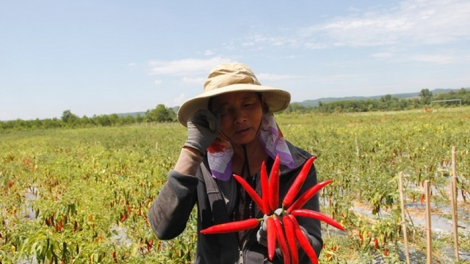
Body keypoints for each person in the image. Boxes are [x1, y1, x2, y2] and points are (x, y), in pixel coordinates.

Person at [148, 63, 322, 263]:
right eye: (224, 111)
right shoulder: (203, 164)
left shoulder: (296, 166)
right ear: (212, 117)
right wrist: (192, 148)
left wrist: (293, 237)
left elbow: (312, 247)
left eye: (248, 105)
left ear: (263, 105)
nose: (239, 118)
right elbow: (163, 228)